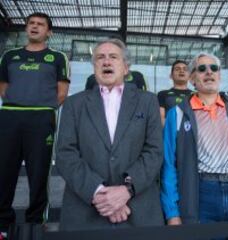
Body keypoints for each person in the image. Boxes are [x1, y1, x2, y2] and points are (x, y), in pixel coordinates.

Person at [161, 52, 228, 240]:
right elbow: (169, 165)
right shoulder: (177, 114)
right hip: (200, 197)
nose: (208, 72)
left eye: (214, 68)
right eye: (201, 68)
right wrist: (172, 213)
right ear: (192, 78)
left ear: (220, 75)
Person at [56, 39, 164, 230]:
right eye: (100, 58)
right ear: (94, 66)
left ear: (125, 67)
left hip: (138, 211)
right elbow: (66, 154)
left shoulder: (148, 101)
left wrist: (126, 190)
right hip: (86, 213)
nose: (106, 62)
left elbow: (154, 151)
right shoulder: (74, 104)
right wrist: (99, 193)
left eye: (113, 57)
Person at [0, 12, 70, 239]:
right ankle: (3, 224)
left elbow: (61, 93)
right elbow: (3, 88)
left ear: (48, 32)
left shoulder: (57, 57)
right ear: (26, 28)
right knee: (4, 172)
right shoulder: (9, 56)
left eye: (40, 24)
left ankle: (36, 223)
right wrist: (18, 102)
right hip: (10, 116)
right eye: (31, 23)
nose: (35, 26)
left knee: (39, 173)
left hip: (41, 118)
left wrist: (40, 106)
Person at [157, 60, 193, 125]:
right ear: (171, 76)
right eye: (177, 69)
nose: (181, 71)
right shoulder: (162, 94)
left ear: (189, 76)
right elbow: (161, 118)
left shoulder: (196, 95)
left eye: (185, 69)